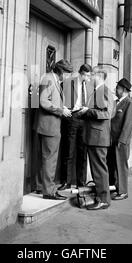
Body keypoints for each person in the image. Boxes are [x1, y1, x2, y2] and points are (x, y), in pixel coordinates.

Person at [35, 60, 73, 200]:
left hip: (49, 126)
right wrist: (60, 110)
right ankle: (49, 191)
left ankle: (41, 187)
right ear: (62, 72)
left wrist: (62, 108)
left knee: (45, 158)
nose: (68, 77)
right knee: (50, 159)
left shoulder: (51, 79)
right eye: (68, 74)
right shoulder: (48, 78)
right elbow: (43, 102)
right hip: (49, 127)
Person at [79, 67, 114, 210]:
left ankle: (104, 200)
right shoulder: (98, 91)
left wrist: (88, 111)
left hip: (98, 137)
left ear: (98, 76)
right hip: (94, 136)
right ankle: (101, 197)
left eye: (92, 74)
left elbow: (107, 114)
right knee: (97, 169)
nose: (90, 77)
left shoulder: (104, 90)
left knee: (99, 169)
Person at [58, 64, 92, 191]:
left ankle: (81, 181)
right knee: (69, 150)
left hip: (84, 119)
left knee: (82, 152)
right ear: (81, 73)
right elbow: (59, 96)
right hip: (72, 117)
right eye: (87, 75)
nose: (88, 77)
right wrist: (62, 107)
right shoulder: (68, 82)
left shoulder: (89, 85)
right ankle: (66, 181)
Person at [109, 78, 132, 201]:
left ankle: (123, 191)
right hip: (112, 140)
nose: (116, 90)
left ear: (124, 90)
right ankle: (115, 188)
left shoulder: (130, 104)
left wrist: (122, 140)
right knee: (113, 164)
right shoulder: (116, 103)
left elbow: (128, 124)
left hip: (121, 141)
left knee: (121, 166)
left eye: (118, 88)